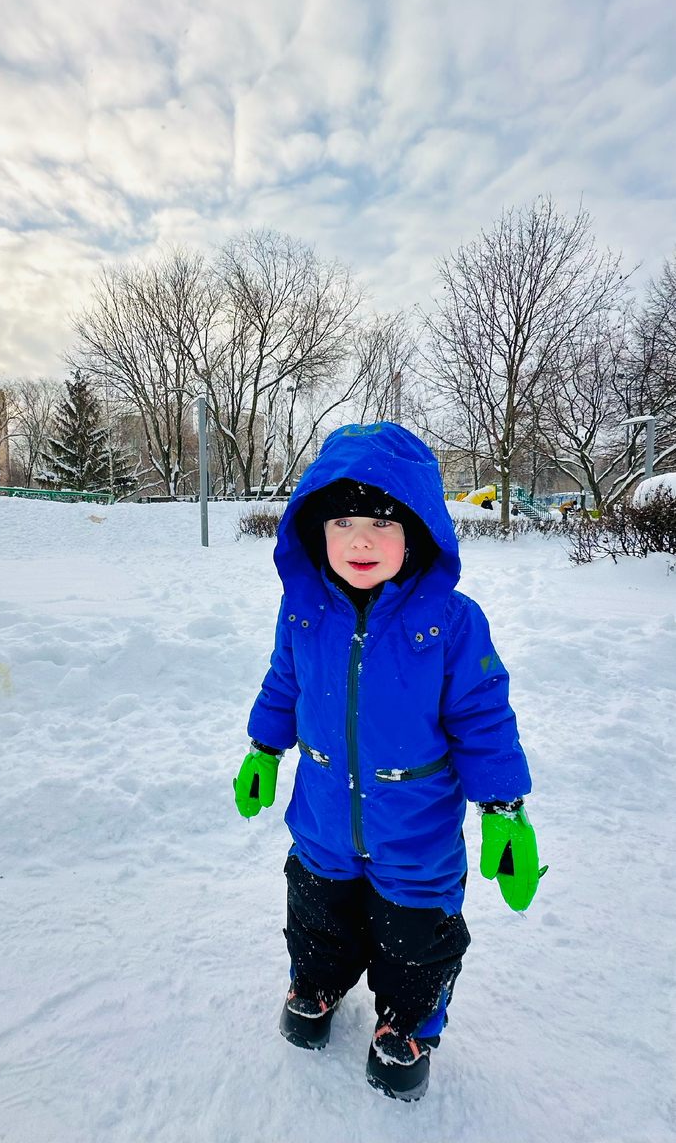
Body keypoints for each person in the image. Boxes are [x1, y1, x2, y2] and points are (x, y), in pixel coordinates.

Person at [233, 423, 543, 1101]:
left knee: (416, 938)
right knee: (317, 915)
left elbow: (483, 717)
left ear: (421, 531)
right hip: (322, 819)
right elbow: (284, 682)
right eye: (342, 520)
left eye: (381, 521)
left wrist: (505, 809)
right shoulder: (303, 611)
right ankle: (315, 986)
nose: (361, 541)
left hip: (415, 832)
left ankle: (406, 1024)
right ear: (316, 529)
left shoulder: (453, 623)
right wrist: (263, 747)